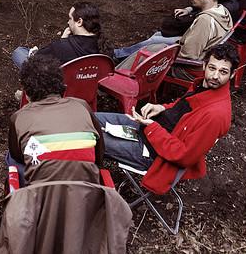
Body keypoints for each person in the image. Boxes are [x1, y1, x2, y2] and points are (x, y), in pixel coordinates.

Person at [95, 43, 237, 194]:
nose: (215, 76)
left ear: (232, 74)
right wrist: (162, 108)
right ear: (204, 66)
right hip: (147, 128)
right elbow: (182, 106)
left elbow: (184, 156)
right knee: (87, 119)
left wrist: (152, 128)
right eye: (212, 68)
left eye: (223, 72)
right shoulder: (203, 87)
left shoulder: (215, 115)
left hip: (153, 155)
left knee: (88, 138)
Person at [7, 54, 104, 187]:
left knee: (11, 156)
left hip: (40, 198)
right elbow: (99, 155)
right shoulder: (82, 106)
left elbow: (17, 156)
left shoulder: (19, 117)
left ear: (26, 94)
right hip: (87, 194)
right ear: (63, 86)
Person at [115, 0, 233, 79]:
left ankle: (117, 78)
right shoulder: (222, 11)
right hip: (203, 58)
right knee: (154, 44)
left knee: (148, 52)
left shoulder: (205, 20)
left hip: (190, 68)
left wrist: (165, 51)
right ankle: (118, 64)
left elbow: (190, 55)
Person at [12, 2, 112, 69]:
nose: (68, 22)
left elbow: (35, 59)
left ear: (79, 22)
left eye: (70, 18)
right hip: (87, 88)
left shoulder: (61, 46)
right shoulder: (104, 47)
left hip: (61, 88)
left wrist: (62, 40)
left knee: (19, 52)